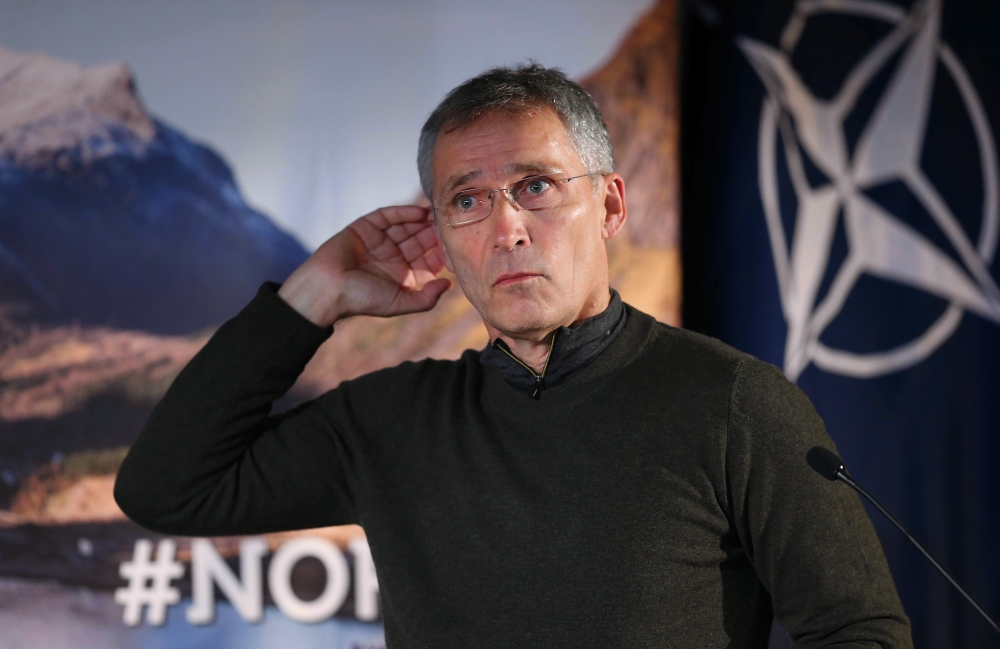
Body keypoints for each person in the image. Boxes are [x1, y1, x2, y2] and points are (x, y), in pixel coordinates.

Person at [114, 64, 911, 648]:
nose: (506, 229)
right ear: (443, 237)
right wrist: (310, 298)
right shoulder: (389, 420)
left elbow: (859, 631)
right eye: (467, 200)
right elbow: (167, 488)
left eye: (535, 186)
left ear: (608, 203)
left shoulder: (735, 400)